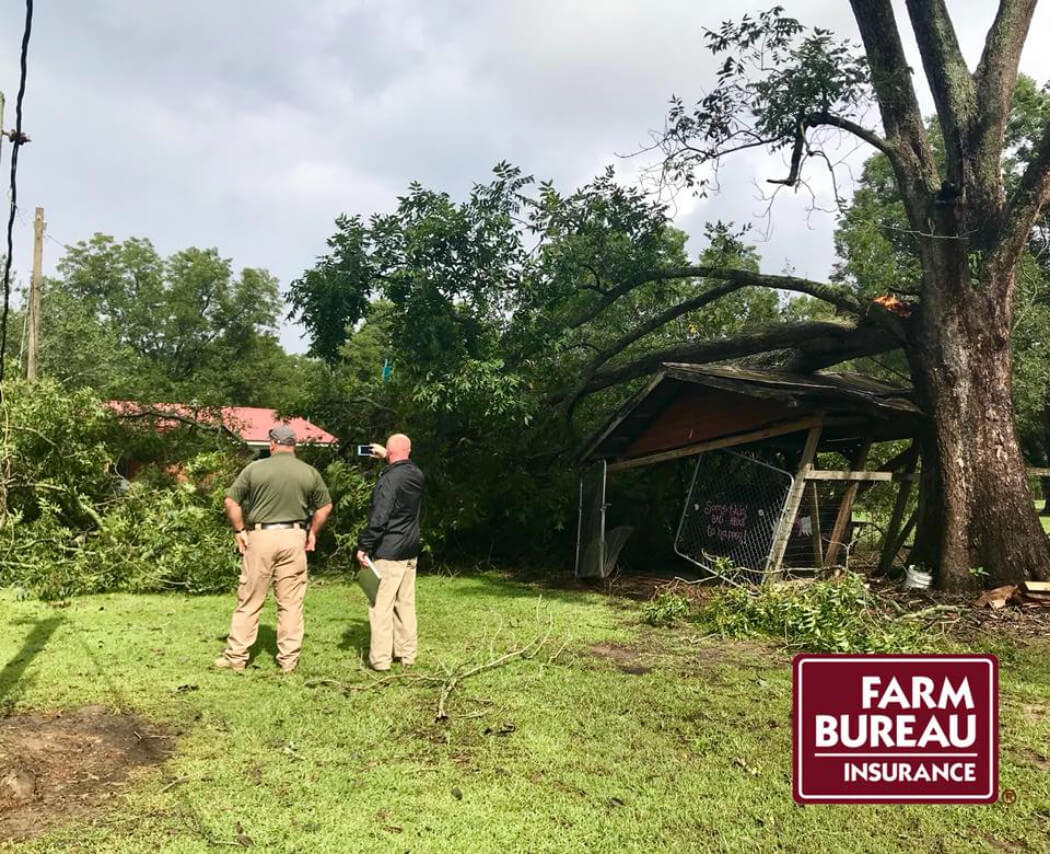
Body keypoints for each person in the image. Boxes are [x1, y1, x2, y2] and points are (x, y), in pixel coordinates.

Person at [214, 424, 333, 674]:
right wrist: (312, 532)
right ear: (294, 445)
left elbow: (231, 501)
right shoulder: (309, 472)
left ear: (272, 444)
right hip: (294, 537)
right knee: (290, 602)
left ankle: (236, 656)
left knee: (250, 597)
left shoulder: (254, 469)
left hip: (261, 536)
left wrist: (239, 531)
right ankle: (288, 661)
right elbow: (325, 507)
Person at [356, 433, 425, 671]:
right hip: (410, 547)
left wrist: (364, 546)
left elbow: (380, 516)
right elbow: (403, 463)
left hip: (389, 549)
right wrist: (388, 456)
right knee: (405, 603)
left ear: (388, 450)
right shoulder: (416, 474)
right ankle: (407, 655)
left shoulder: (389, 479)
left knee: (381, 606)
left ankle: (380, 660)